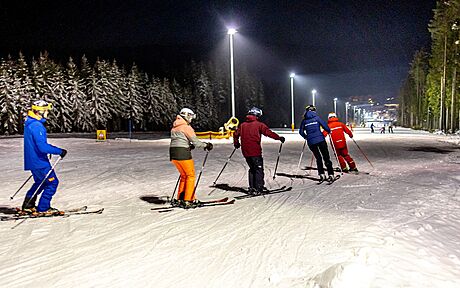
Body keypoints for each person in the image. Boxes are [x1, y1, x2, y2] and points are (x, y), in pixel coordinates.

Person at [22, 100, 67, 216]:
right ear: (40, 112)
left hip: (33, 161)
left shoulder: (30, 123)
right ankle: (43, 208)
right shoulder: (37, 126)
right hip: (39, 162)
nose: (47, 113)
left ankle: (28, 205)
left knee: (40, 182)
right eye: (46, 111)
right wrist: (59, 151)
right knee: (52, 183)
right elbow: (42, 147)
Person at [233, 107, 285, 195]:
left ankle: (252, 187)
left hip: (245, 152)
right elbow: (268, 133)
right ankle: (259, 187)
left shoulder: (242, 125)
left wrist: (236, 143)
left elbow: (235, 134)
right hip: (255, 151)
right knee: (258, 169)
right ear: (256, 115)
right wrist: (278, 137)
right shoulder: (259, 124)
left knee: (252, 168)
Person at [170, 108, 213, 208]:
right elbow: (196, 142)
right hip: (183, 154)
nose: (191, 119)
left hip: (174, 153)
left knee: (184, 176)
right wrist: (206, 145)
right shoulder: (186, 127)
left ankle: (181, 198)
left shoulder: (175, 127)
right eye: (191, 116)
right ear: (187, 115)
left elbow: (179, 140)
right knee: (190, 176)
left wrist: (188, 146)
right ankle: (188, 199)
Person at [299, 105, 334, 181]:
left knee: (318, 158)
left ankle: (321, 174)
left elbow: (301, 132)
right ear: (314, 111)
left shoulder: (304, 121)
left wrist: (306, 137)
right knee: (326, 157)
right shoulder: (317, 118)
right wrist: (329, 131)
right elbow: (325, 127)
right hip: (321, 140)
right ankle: (330, 174)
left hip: (311, 142)